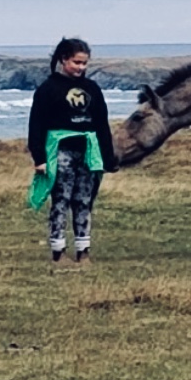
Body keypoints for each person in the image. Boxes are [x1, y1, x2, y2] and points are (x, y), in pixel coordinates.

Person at [27, 37, 118, 269]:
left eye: (84, 63)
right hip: (61, 152)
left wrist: (108, 157)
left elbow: (101, 125)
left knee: (84, 201)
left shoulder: (92, 89)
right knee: (61, 201)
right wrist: (39, 158)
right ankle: (58, 252)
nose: (81, 67)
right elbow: (36, 124)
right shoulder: (48, 89)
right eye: (77, 62)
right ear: (64, 60)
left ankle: (83, 252)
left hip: (87, 152)